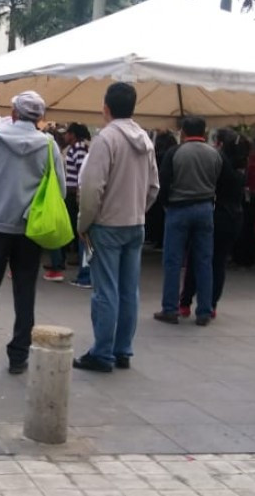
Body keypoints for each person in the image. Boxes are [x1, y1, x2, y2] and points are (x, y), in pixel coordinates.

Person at [0, 91, 64, 375]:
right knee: (25, 290)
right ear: (39, 118)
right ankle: (18, 356)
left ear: (15, 113)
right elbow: (62, 190)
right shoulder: (49, 145)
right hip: (30, 227)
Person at [72, 83, 158, 373]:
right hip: (135, 223)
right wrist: (137, 209)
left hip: (107, 224)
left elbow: (92, 187)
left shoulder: (106, 139)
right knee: (128, 290)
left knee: (104, 290)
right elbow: (154, 187)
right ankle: (123, 349)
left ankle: (103, 353)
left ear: (106, 107)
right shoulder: (145, 139)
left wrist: (84, 222)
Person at [154, 116, 222, 326]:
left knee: (173, 261)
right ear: (204, 131)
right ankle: (204, 311)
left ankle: (170, 309)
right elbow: (217, 179)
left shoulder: (175, 153)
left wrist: (166, 204)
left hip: (178, 208)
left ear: (183, 132)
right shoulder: (214, 154)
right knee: (204, 261)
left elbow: (163, 183)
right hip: (205, 208)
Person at [178, 130, 248, 318]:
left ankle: (185, 303)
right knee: (219, 262)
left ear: (221, 144)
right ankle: (211, 305)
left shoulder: (219, 162)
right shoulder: (242, 165)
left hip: (215, 214)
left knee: (196, 258)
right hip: (235, 217)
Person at [62, 123, 92, 286]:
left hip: (76, 194)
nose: (65, 136)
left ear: (72, 134)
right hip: (73, 193)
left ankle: (85, 272)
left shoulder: (79, 149)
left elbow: (82, 172)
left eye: (66, 133)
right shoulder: (76, 148)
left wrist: (78, 193)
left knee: (80, 230)